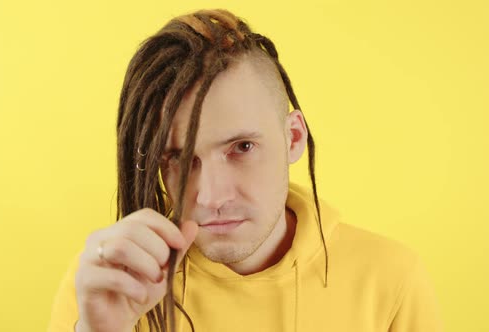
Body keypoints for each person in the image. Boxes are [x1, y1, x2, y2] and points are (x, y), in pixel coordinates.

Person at [47, 9, 443, 332]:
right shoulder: (108, 285)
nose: (211, 197)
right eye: (178, 160)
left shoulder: (391, 278)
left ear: (292, 139)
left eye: (242, 147)